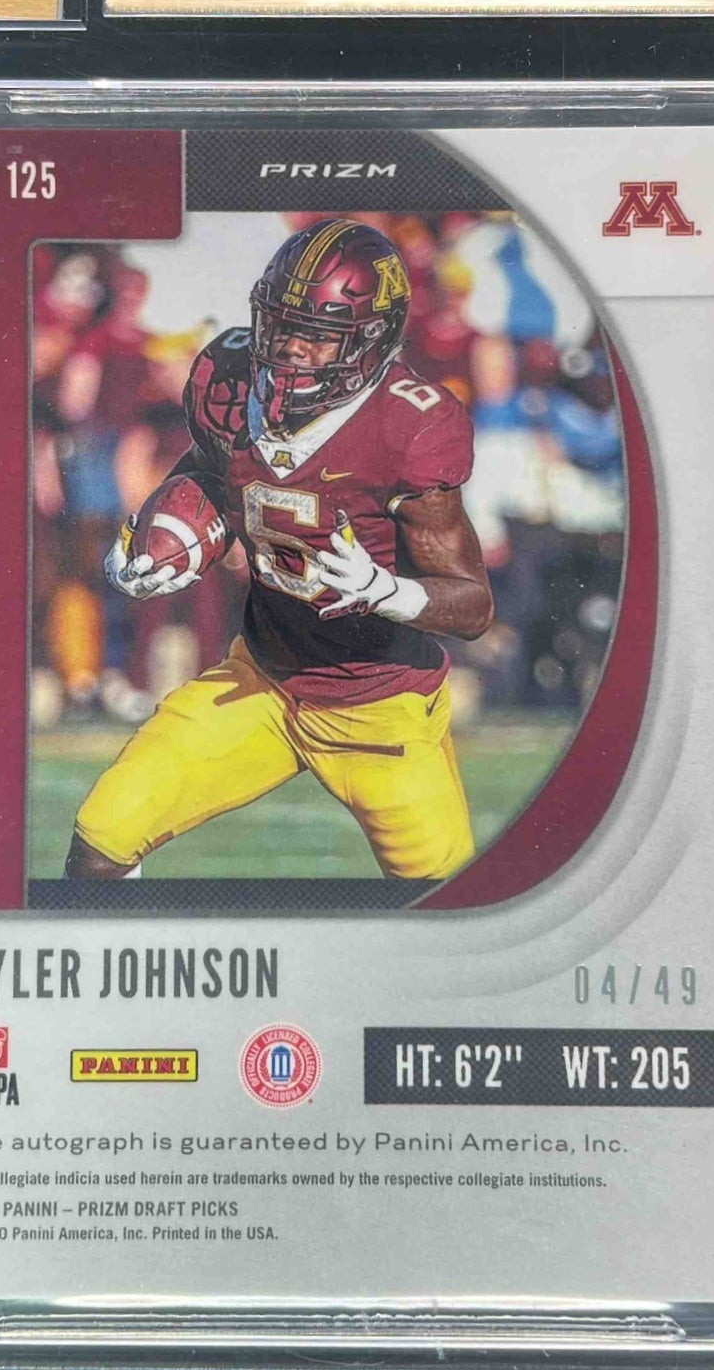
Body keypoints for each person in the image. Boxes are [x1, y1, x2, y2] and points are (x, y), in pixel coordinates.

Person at [64, 217, 493, 883]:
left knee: (445, 909)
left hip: (379, 711)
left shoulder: (408, 425)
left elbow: (471, 605)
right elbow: (211, 471)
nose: (289, 348)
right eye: (281, 325)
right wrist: (165, 533)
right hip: (262, 679)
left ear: (369, 341)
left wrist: (386, 591)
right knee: (101, 841)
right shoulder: (230, 379)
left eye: (316, 336)